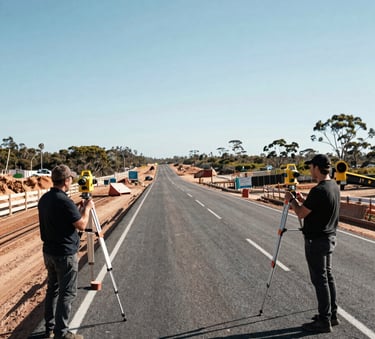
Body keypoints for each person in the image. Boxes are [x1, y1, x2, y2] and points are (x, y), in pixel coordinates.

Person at [284, 154, 340, 333]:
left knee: (320, 279)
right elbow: (314, 209)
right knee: (328, 277)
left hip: (316, 241)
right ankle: (332, 314)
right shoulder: (333, 186)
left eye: (311, 166)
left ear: (317, 167)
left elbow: (300, 214)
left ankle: (324, 321)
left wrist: (291, 200)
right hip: (330, 238)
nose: (309, 170)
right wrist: (301, 199)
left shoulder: (319, 190)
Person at [38, 165, 94, 339]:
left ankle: (49, 330)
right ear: (67, 180)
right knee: (67, 293)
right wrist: (88, 208)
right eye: (71, 179)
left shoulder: (45, 199)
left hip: (49, 252)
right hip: (65, 254)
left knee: (52, 290)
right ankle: (62, 334)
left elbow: (62, 220)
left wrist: (75, 210)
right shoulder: (65, 201)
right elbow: (82, 225)